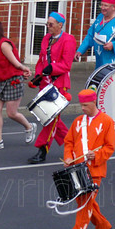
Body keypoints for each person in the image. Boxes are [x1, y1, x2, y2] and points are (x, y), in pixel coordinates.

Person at [62, 88, 115, 229]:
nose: (83, 108)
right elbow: (69, 142)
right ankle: (103, 225)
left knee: (85, 204)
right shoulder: (78, 121)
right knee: (86, 202)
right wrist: (68, 157)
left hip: (95, 171)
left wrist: (97, 155)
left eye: (85, 105)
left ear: (94, 102)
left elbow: (109, 147)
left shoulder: (107, 121)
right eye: (81, 105)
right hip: (77, 170)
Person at [27, 11, 77, 164]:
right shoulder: (46, 39)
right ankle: (74, 143)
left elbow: (66, 65)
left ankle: (42, 149)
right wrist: (37, 76)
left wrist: (52, 68)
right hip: (45, 83)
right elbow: (42, 60)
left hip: (59, 84)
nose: (48, 27)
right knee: (52, 118)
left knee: (50, 118)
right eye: (47, 24)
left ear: (60, 25)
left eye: (51, 24)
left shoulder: (68, 40)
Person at [0, 18, 36, 149]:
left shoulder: (3, 44)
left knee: (11, 113)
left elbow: (15, 62)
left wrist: (24, 69)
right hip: (2, 81)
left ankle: (29, 127)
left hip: (13, 81)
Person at [75, 0, 115, 68]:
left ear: (113, 7)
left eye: (106, 6)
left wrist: (113, 45)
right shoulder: (100, 17)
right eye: (101, 5)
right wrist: (80, 50)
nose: (102, 8)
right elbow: (91, 35)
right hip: (100, 63)